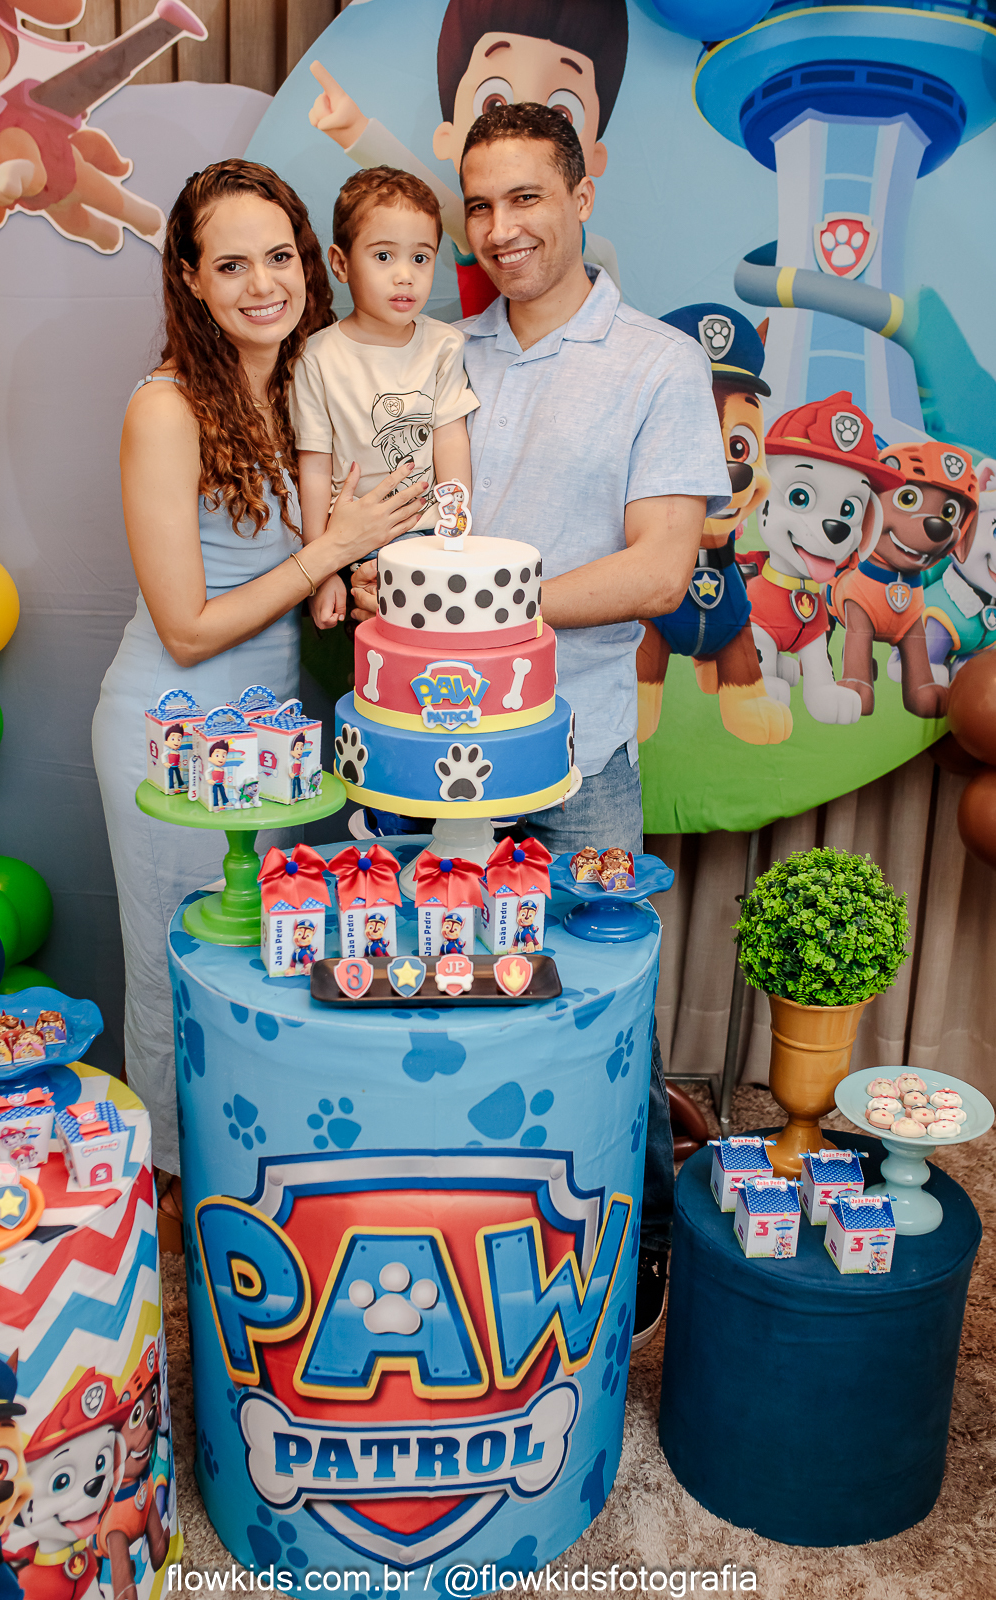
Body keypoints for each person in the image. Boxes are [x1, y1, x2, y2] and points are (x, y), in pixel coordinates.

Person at [352, 104, 730, 1347]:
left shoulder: (656, 364)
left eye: (525, 197)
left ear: (580, 194)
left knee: (602, 1008)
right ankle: (453, 1236)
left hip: (576, 755)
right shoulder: (432, 354)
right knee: (420, 992)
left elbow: (659, 570)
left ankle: (643, 1242)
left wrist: (469, 606)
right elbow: (384, 518)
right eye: (479, 203)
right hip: (417, 754)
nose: (500, 226)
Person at [92, 159, 429, 1186]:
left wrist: (352, 576)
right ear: (189, 279)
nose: (261, 284)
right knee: (177, 976)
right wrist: (328, 553)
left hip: (276, 741)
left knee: (259, 968)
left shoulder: (306, 385)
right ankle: (172, 1203)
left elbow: (312, 571)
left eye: (278, 257)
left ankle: (253, 1182)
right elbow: (187, 628)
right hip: (174, 735)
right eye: (230, 265)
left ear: (309, 265)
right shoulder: (165, 409)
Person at [306, 0, 630, 314]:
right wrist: (354, 130)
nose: (502, 231)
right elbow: (423, 190)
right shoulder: (480, 227)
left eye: (562, 112)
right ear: (447, 138)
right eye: (493, 103)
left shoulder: (600, 255)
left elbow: (612, 318)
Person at [292, 166, 479, 630]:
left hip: (427, 535)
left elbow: (450, 437)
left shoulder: (443, 345)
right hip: (350, 543)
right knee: (375, 652)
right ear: (341, 264)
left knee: (435, 646)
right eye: (383, 256)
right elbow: (313, 466)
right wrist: (321, 571)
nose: (405, 276)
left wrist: (455, 529)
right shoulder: (317, 357)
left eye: (420, 258)